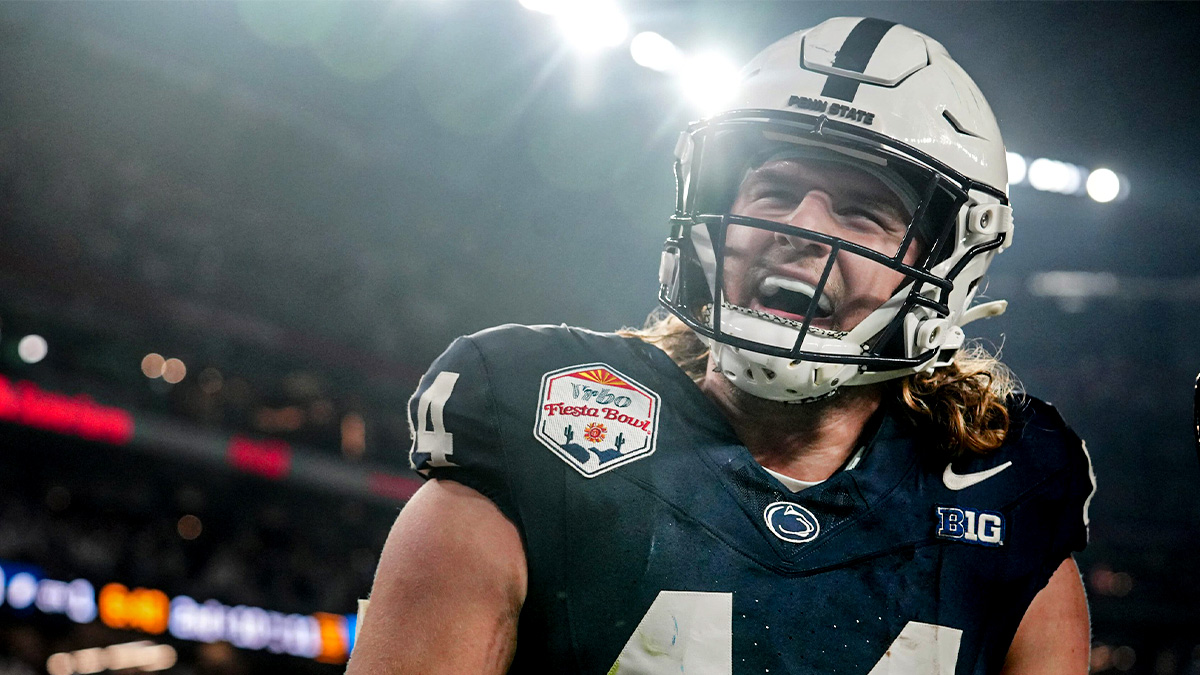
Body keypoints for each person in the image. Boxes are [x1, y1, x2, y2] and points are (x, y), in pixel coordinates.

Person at [347, 17, 1096, 675]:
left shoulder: (1008, 500)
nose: (797, 227)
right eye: (772, 192)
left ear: (946, 269)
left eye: (863, 211)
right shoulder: (538, 432)